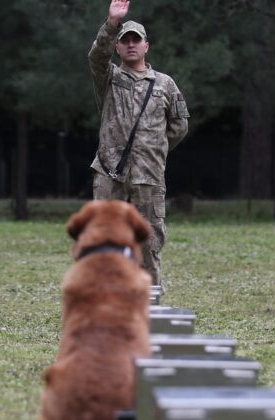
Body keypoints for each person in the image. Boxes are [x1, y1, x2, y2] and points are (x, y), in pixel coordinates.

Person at [88, 0, 190, 291]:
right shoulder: (109, 78)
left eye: (136, 40)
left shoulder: (165, 84)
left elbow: (179, 125)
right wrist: (112, 24)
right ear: (118, 48)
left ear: (147, 46)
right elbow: (96, 57)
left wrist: (154, 148)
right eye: (125, 41)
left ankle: (150, 310)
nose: (131, 45)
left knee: (148, 243)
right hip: (110, 172)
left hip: (148, 175)